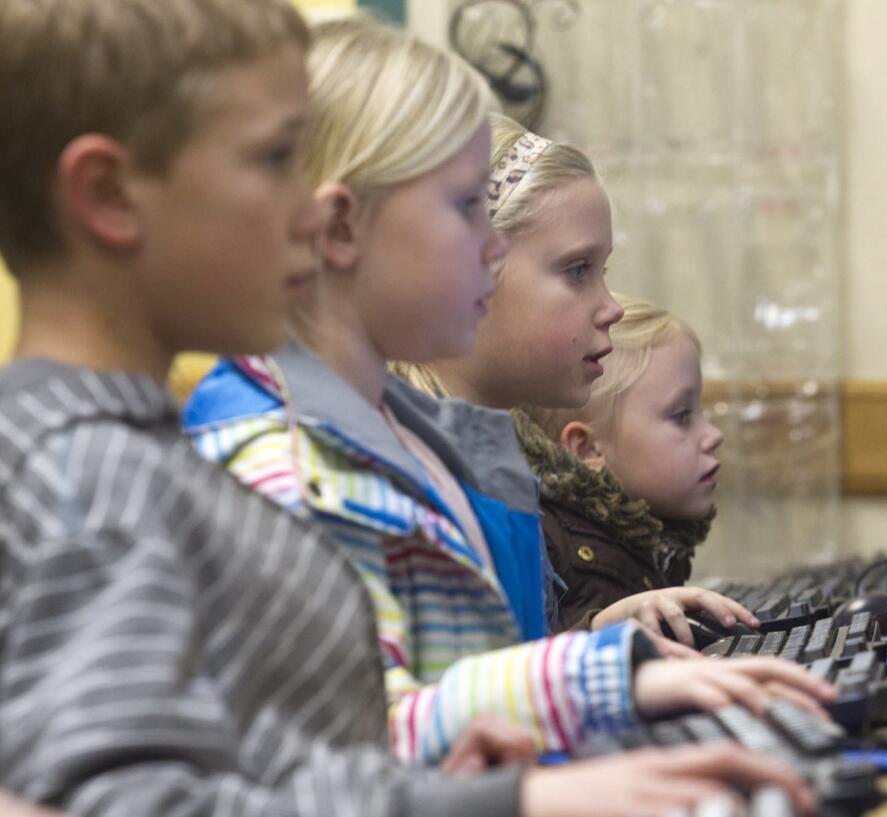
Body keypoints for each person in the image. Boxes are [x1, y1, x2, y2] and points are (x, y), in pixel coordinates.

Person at [0, 2, 817, 814]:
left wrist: (588, 681)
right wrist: (511, 798)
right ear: (108, 197)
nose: (317, 208)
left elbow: (292, 762)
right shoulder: (94, 475)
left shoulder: (120, 459)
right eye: (276, 159)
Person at [393, 115, 759, 644]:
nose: (610, 308)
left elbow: (507, 676)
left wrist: (596, 635)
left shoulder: (493, 465)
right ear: (466, 268)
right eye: (576, 270)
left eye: (601, 272)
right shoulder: (418, 481)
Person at [518, 294, 727, 633]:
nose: (713, 435)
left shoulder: (646, 538)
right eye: (682, 416)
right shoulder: (548, 547)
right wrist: (599, 630)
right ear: (587, 450)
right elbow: (531, 669)